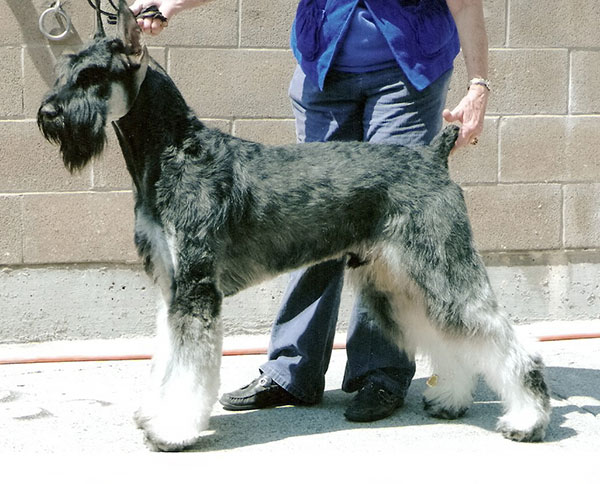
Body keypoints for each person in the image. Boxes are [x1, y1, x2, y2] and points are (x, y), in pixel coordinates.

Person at [130, 0, 489, 422]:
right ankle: (292, 370)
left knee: (387, 226)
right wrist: (172, 3)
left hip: (407, 73)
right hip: (324, 66)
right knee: (304, 219)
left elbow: (464, 4)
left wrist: (478, 84)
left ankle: (380, 373)